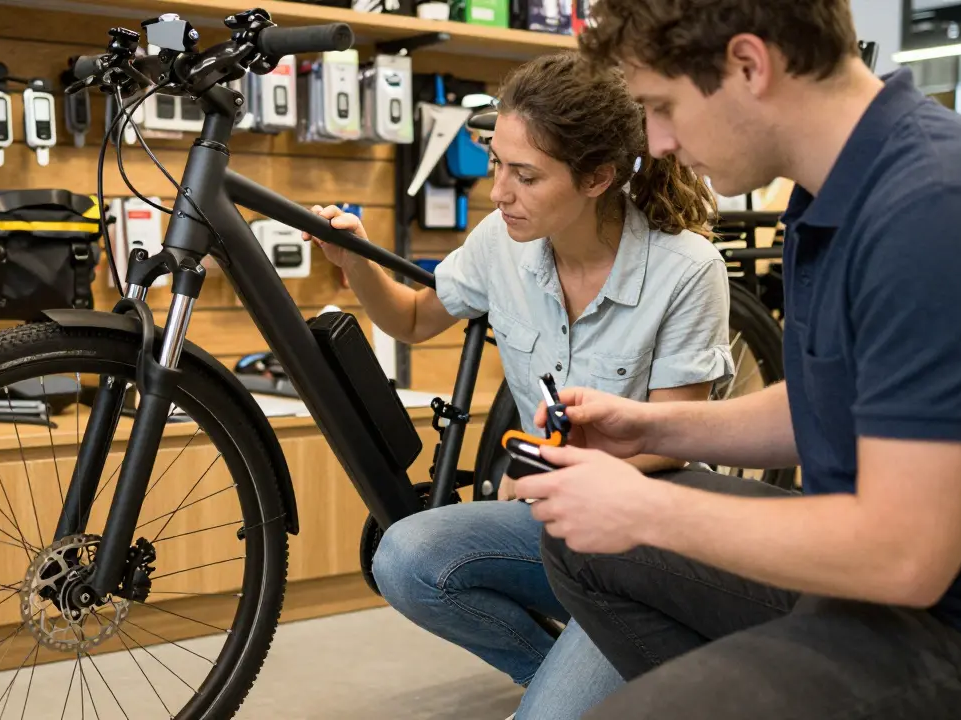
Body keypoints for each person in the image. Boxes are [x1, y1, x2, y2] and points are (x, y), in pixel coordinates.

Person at [512, 1, 961, 718]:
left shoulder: (934, 208)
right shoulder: (829, 192)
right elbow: (829, 402)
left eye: (662, 106)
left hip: (953, 623)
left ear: (747, 65)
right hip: (877, 588)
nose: (659, 143)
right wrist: (650, 429)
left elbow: (904, 556)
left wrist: (646, 507)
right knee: (582, 548)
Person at [304, 52, 732, 719]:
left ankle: (613, 682)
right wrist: (355, 261)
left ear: (598, 177)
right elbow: (413, 318)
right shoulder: (501, 242)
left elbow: (672, 440)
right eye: (497, 163)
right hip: (556, 522)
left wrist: (545, 465)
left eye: (525, 175)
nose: (499, 191)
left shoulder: (686, 268)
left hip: (646, 540)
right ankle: (570, 685)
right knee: (407, 557)